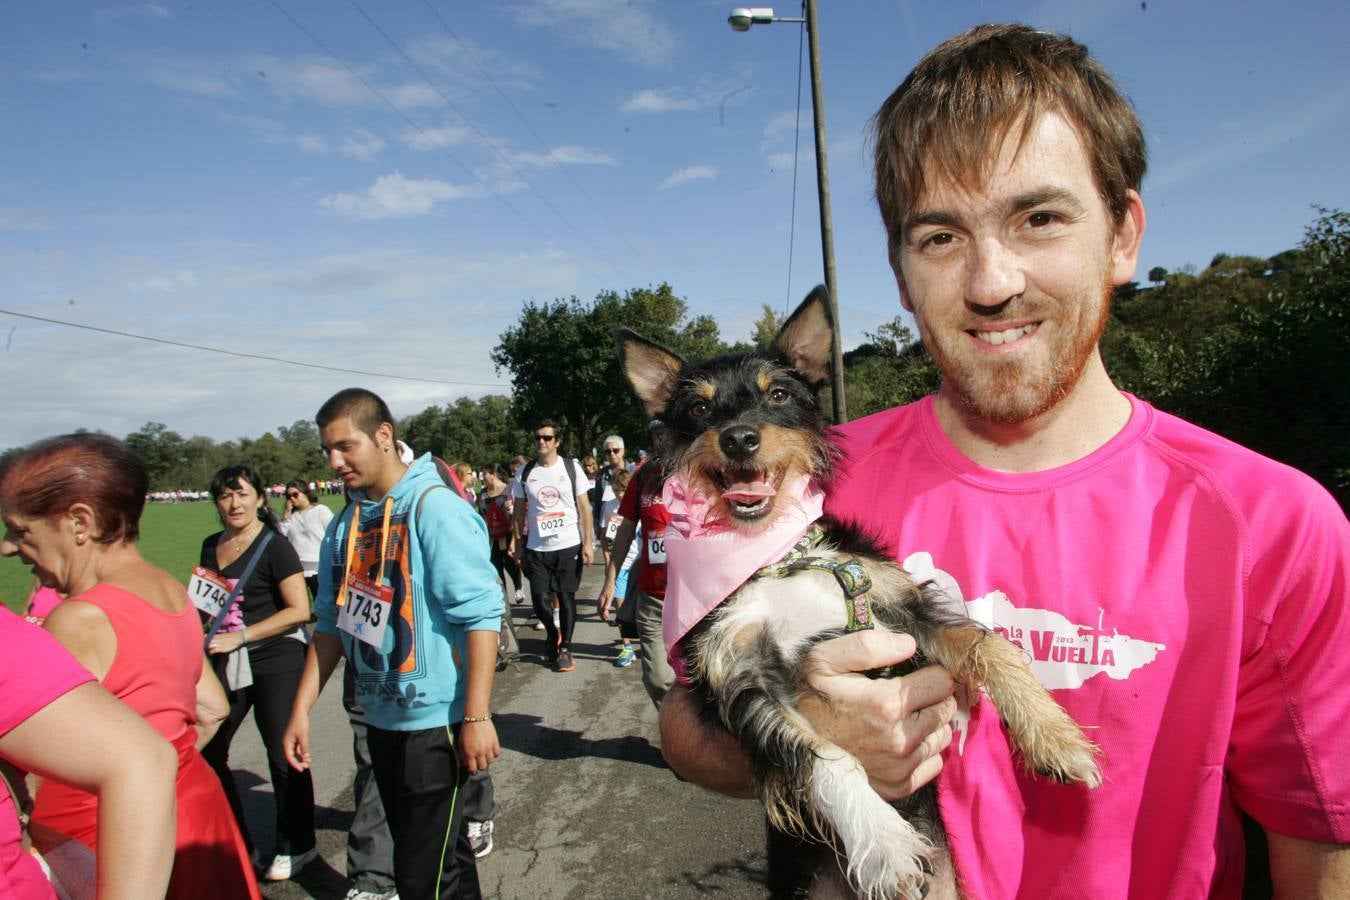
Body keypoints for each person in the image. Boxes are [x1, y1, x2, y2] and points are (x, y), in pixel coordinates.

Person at [659, 23, 1350, 898]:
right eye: (941, 237)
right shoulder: (806, 489)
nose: (992, 281)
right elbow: (683, 724)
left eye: (1040, 218)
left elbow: (1319, 839)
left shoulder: (1273, 522)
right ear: (902, 274)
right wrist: (798, 735)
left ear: (1123, 235)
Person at [0, 433, 259, 898]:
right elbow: (213, 708)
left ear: (79, 522)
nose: (8, 547)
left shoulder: (79, 618)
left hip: (103, 828)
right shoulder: (169, 588)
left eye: (21, 530)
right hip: (195, 806)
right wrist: (174, 768)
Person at [283, 388, 502, 899]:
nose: (335, 462)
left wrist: (476, 716)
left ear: (384, 436)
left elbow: (481, 615)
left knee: (415, 876)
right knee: (444, 864)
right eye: (327, 452)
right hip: (379, 719)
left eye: (345, 446)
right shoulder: (344, 526)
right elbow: (331, 626)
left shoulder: (434, 509)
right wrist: (301, 709)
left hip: (436, 725)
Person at [0, 606, 177, 900]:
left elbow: (142, 760)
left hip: (96, 813)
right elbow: (212, 708)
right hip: (164, 802)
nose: (14, 556)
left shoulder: (79, 618)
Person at [199, 464, 317, 881]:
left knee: (282, 750)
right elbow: (207, 603)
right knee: (208, 748)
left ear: (260, 499)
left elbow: (300, 610)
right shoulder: (211, 546)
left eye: (243, 494)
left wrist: (243, 635)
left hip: (275, 654)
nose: (234, 503)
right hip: (226, 658)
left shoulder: (274, 545)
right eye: (226, 496)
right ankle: (236, 839)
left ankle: (298, 844)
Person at [598, 427, 675, 706]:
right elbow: (626, 529)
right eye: (656, 434)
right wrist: (610, 581)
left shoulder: (704, 472)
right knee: (658, 678)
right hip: (652, 595)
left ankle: (692, 742)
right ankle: (674, 732)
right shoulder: (643, 477)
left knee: (702, 682)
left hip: (697, 598)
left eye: (666, 431)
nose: (662, 439)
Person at [512, 420, 594, 673]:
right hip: (536, 547)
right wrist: (516, 544)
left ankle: (566, 648)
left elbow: (584, 508)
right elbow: (518, 512)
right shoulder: (525, 473)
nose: (541, 442)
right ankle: (551, 633)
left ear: (557, 441)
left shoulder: (571, 469)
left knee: (566, 596)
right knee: (539, 600)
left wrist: (588, 542)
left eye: (547, 438)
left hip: (568, 544)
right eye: (538, 437)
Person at [280, 478, 334, 600]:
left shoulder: (321, 510)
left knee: (323, 600)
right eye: (288, 496)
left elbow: (332, 534)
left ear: (305, 493)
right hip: (298, 567)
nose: (292, 499)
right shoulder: (291, 517)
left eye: (295, 494)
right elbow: (281, 536)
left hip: (319, 565)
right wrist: (286, 516)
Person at [591, 435, 627, 567]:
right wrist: (597, 525)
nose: (612, 454)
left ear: (623, 451)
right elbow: (597, 502)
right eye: (608, 451)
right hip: (609, 524)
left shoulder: (634, 472)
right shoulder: (601, 475)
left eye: (615, 450)